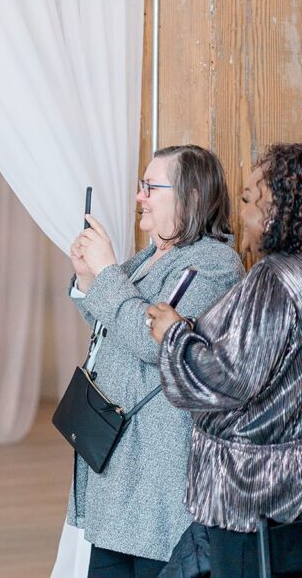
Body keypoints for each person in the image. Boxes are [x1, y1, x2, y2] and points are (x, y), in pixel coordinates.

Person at [65, 145, 244, 576]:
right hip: (120, 459)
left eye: (151, 187)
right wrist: (88, 280)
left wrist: (107, 275)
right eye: (141, 186)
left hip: (157, 466)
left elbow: (152, 342)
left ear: (192, 197)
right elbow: (111, 319)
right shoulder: (152, 254)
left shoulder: (214, 264)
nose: (139, 196)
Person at [148, 143, 302, 578]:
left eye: (252, 199)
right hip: (285, 492)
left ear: (281, 208)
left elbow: (229, 378)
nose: (243, 212)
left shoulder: (274, 279)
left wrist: (173, 335)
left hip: (249, 493)